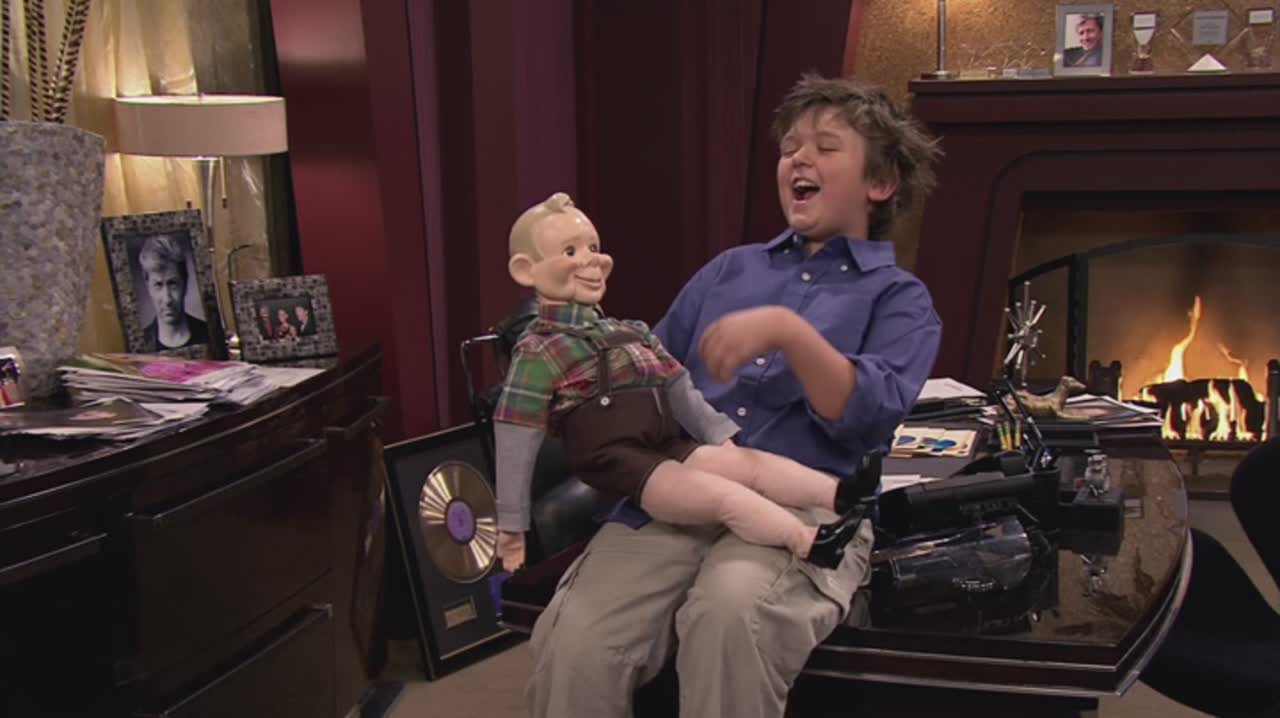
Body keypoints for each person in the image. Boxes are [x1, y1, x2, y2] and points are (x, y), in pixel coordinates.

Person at [525, 74, 943, 718]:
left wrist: (788, 333)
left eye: (826, 147)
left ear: (880, 183)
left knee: (729, 618)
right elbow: (651, 380)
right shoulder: (729, 269)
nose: (799, 158)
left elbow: (864, 419)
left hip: (801, 512)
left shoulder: (899, 299)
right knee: (576, 639)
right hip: (678, 491)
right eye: (790, 147)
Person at [494, 193, 869, 574]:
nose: (591, 260)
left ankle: (842, 494)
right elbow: (515, 435)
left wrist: (718, 435)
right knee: (725, 497)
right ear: (526, 270)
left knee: (749, 465)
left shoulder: (630, 331)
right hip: (629, 464)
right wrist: (512, 525)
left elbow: (678, 386)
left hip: (668, 442)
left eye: (594, 248)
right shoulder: (539, 350)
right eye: (570, 251)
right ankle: (810, 542)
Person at [137, 235, 208, 352]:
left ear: (185, 282)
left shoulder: (209, 334)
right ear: (148, 287)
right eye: (158, 285)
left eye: (172, 284)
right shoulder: (141, 345)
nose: (167, 299)